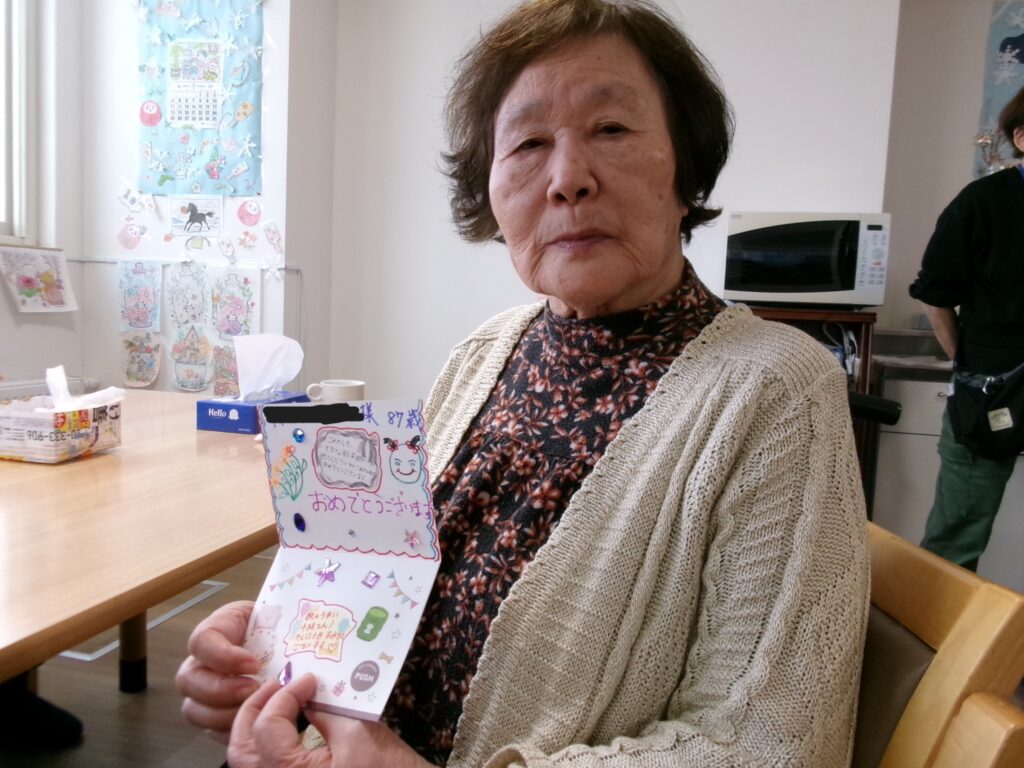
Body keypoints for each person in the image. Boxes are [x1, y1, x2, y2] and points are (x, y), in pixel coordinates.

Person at [176, 1, 869, 766]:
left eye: (612, 129)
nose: (568, 179)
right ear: (492, 192)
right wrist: (274, 653)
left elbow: (773, 746)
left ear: (686, 168)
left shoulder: (778, 392)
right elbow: (380, 595)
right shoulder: (485, 351)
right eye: (530, 143)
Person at [909, 85, 1024, 572]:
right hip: (990, 392)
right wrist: (968, 360)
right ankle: (936, 623)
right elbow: (935, 296)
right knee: (955, 542)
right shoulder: (981, 204)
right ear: (1022, 137)